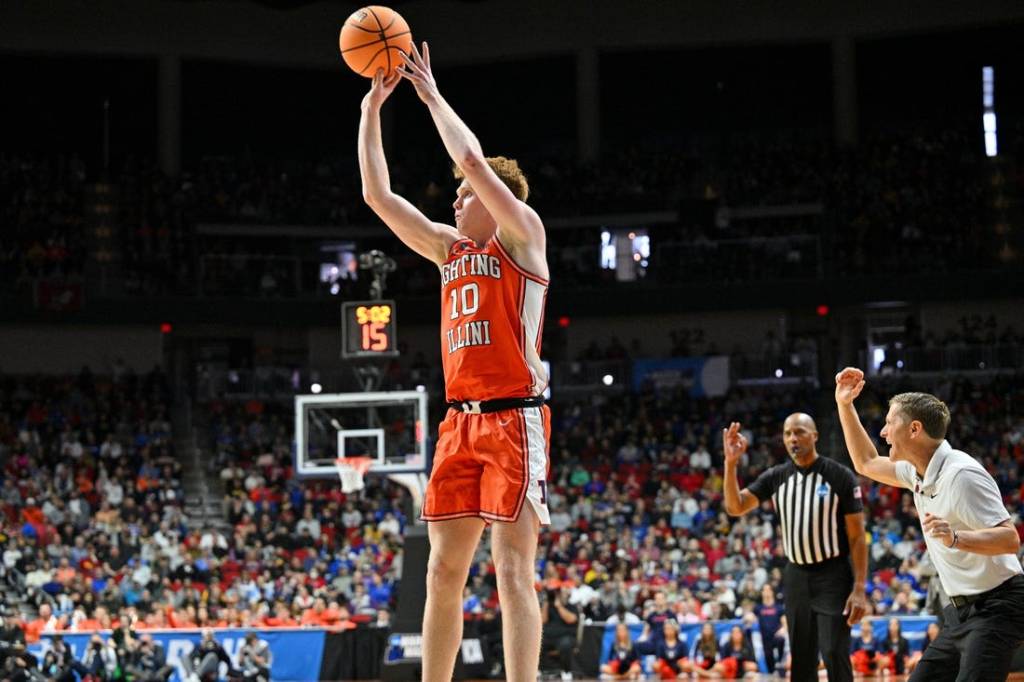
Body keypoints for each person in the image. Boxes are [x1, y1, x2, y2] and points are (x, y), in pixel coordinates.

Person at [359, 42, 551, 682]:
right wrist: (370, 111)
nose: (454, 200)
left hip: (514, 419)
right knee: (442, 571)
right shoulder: (448, 252)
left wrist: (431, 95)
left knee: (512, 570)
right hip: (460, 424)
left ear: (493, 198)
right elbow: (378, 197)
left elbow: (469, 156)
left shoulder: (523, 234)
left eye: (463, 194)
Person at [834, 367, 1024, 681]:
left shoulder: (961, 475)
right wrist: (845, 405)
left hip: (999, 606)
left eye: (889, 422)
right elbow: (865, 463)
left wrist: (956, 539)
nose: (882, 432)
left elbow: (1009, 539)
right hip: (960, 613)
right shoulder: (916, 471)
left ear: (914, 429)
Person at [723, 414, 868, 682]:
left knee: (834, 651)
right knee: (801, 659)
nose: (792, 438)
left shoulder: (840, 476)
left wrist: (859, 588)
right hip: (796, 576)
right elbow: (735, 506)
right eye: (788, 433)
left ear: (815, 436)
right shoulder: (777, 477)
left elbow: (858, 537)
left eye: (799, 432)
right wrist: (731, 464)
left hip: (834, 574)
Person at [541, 587, 579, 681]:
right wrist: (546, 604)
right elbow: (543, 620)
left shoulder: (572, 606)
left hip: (566, 637)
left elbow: (571, 619)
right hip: (549, 637)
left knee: (565, 644)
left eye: (560, 593)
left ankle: (566, 671)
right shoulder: (549, 606)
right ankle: (538, 670)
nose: (558, 595)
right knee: (536, 643)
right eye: (556, 594)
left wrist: (559, 607)